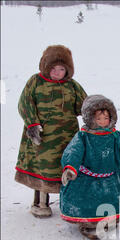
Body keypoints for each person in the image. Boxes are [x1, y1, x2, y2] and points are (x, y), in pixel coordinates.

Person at [59, 94, 120, 240]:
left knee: (110, 199)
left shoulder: (115, 136)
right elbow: (73, 152)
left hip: (110, 177)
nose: (102, 122)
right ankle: (88, 223)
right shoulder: (83, 137)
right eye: (98, 118)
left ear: (111, 117)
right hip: (87, 179)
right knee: (88, 201)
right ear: (90, 118)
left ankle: (108, 219)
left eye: (106, 118)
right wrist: (70, 168)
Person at [15, 44, 87, 218]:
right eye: (53, 68)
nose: (56, 72)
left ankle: (68, 204)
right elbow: (24, 103)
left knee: (67, 168)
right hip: (42, 137)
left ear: (68, 70)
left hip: (67, 138)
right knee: (42, 168)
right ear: (45, 67)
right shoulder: (35, 82)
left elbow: (85, 106)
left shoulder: (72, 86)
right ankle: (40, 203)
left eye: (61, 69)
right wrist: (32, 124)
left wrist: (97, 117)